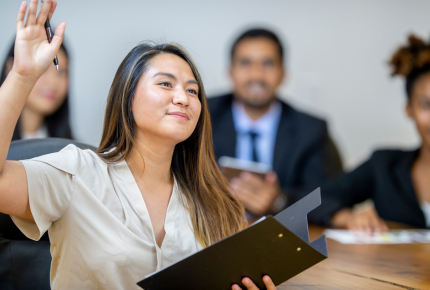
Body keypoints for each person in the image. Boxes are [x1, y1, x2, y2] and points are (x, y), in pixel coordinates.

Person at [0, 1, 277, 289]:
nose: (183, 98)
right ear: (128, 97)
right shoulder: (78, 173)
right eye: (166, 84)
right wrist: (22, 75)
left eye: (192, 90)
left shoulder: (215, 201)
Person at [208, 28, 343, 218]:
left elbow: (326, 197)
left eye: (268, 63)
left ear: (282, 74)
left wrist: (279, 201)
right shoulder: (202, 115)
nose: (256, 75)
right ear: (230, 72)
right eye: (245, 63)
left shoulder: (310, 130)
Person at [309, 34, 430, 232]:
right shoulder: (384, 165)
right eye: (426, 105)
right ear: (409, 110)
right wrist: (346, 216)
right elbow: (314, 199)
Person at [0, 33, 72, 140]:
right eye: (43, 69)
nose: (52, 83)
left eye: (61, 72)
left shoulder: (72, 150)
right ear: (11, 70)